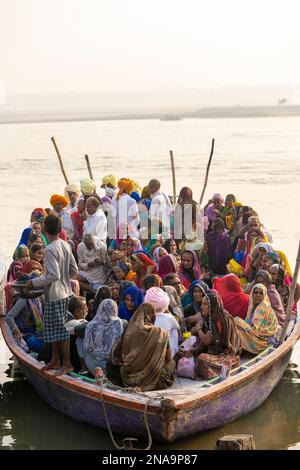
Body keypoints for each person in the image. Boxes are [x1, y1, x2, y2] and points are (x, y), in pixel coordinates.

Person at [26, 215, 78, 376]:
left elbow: (52, 276)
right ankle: (54, 360)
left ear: (45, 230)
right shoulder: (65, 244)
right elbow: (74, 271)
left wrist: (33, 283)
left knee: (60, 331)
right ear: (60, 229)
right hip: (65, 292)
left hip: (55, 294)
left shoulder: (49, 249)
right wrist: (64, 279)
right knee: (55, 330)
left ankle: (67, 363)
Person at [112, 303, 175, 391]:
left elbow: (117, 358)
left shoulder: (128, 332)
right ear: (153, 316)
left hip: (127, 380)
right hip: (155, 382)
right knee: (172, 362)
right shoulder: (160, 333)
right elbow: (169, 359)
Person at [193, 291, 242, 380]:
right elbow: (206, 342)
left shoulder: (218, 320)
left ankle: (217, 373)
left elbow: (207, 340)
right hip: (220, 355)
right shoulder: (213, 317)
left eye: (205, 304)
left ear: (212, 306)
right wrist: (194, 350)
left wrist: (199, 329)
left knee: (200, 359)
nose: (201, 307)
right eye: (202, 304)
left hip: (227, 357)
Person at [234, 284, 279, 354]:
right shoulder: (253, 307)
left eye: (261, 293)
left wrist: (239, 323)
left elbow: (254, 326)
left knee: (236, 322)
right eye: (256, 292)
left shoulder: (263, 306)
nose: (258, 295)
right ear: (252, 294)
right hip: (257, 334)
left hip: (262, 339)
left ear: (264, 295)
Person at [83, 299, 123, 376]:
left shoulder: (91, 324)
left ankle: (84, 369)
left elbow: (87, 347)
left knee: (79, 341)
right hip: (111, 364)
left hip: (94, 365)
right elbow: (118, 344)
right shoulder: (118, 322)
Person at [145, 287, 180, 357]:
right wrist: (169, 314)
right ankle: (175, 351)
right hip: (164, 353)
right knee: (174, 330)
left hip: (148, 353)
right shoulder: (169, 317)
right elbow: (178, 327)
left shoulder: (145, 316)